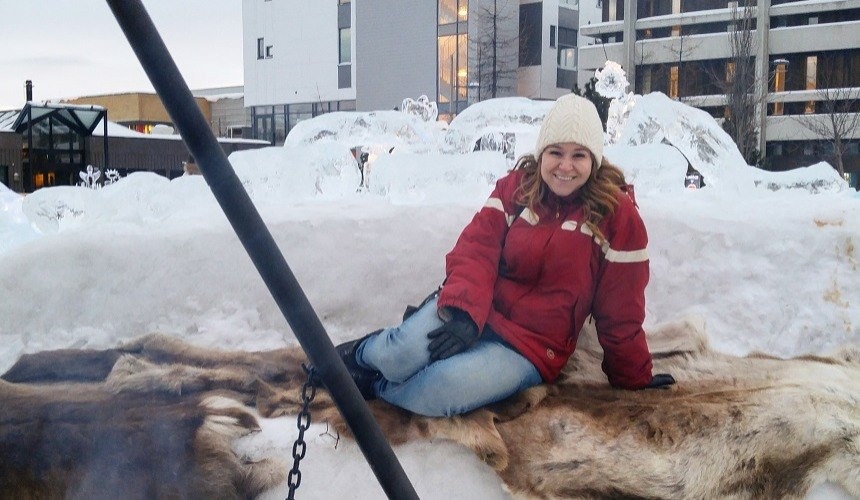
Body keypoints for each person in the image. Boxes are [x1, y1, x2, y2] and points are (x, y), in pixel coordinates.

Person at [335, 94, 675, 417]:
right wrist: (465, 313)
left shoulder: (616, 216)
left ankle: (375, 387)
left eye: (579, 155)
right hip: (475, 311)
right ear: (542, 153)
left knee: (441, 388)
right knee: (401, 354)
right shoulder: (515, 189)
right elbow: (476, 251)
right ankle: (354, 357)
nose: (565, 166)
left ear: (595, 161)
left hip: (531, 346)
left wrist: (633, 375)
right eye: (556, 152)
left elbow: (621, 308)